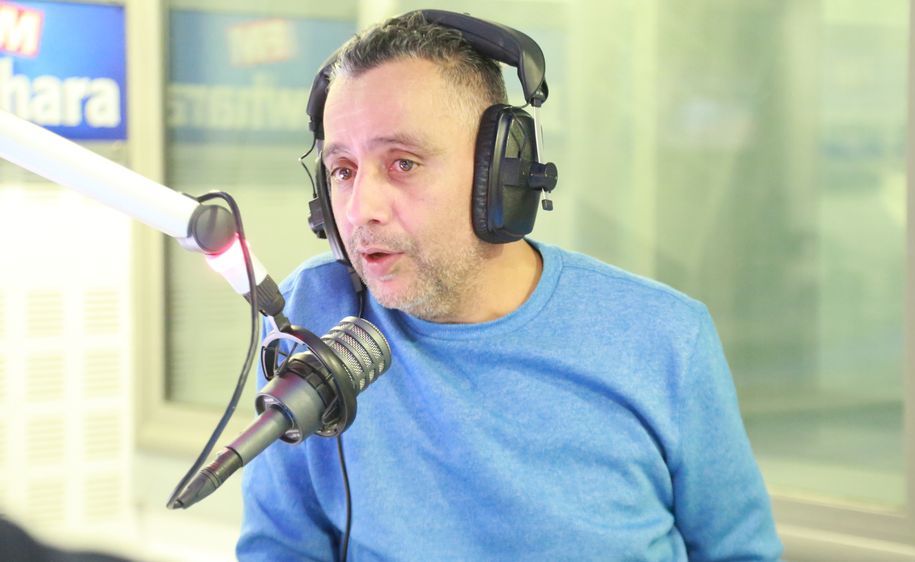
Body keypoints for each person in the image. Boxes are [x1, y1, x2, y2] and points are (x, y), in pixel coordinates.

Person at [237, 10, 782, 561]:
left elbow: (740, 554)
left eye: (403, 163)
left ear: (501, 173)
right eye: (343, 170)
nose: (360, 211)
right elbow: (280, 547)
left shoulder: (665, 338)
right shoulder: (313, 312)